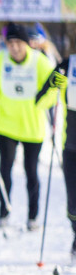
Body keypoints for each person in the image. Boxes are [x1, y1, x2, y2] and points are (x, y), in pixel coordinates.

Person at [0, 22, 62, 230]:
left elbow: (52, 92)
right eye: (10, 43)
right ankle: (3, 212)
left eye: (19, 43)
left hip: (33, 127)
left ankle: (33, 217)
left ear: (27, 44)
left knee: (31, 172)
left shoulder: (39, 62)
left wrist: (49, 93)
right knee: (5, 170)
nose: (15, 48)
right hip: (7, 126)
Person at [57, 54, 75, 259]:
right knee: (73, 200)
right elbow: (40, 99)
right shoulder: (69, 64)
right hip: (71, 146)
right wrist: (53, 87)